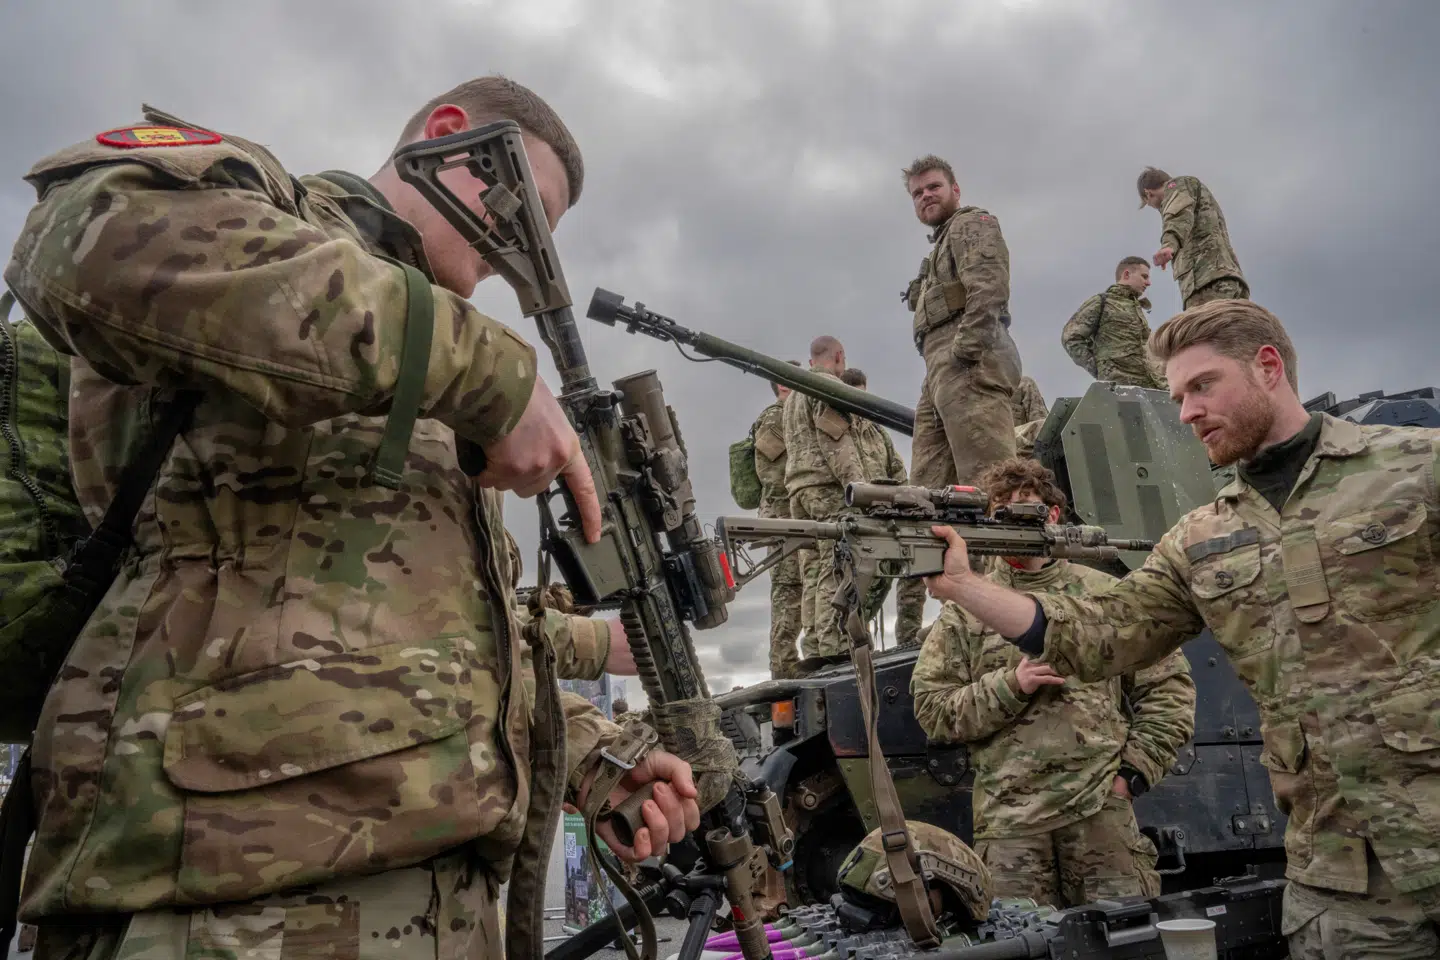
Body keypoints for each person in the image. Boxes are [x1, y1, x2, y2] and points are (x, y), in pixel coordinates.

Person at [2, 79, 698, 959]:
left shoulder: (432, 384)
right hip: (229, 906)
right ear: (449, 137)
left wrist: (594, 761)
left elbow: (442, 653)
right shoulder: (272, 206)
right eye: (524, 207)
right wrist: (484, 370)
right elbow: (85, 240)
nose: (520, 254)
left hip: (439, 904)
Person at [924, 298, 1440, 958]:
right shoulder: (1201, 537)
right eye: (1178, 395)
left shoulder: (1415, 468)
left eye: (1202, 386)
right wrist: (965, 586)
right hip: (1345, 885)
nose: (1187, 412)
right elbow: (1103, 632)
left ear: (1268, 367)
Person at [911, 457, 1194, 906]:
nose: (1008, 520)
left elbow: (1169, 691)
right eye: (997, 510)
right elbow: (933, 711)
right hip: (1009, 828)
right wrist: (1009, 686)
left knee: (1121, 943)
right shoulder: (964, 609)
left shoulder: (1103, 593)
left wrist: (1130, 777)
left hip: (1100, 816)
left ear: (1053, 515)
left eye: (1023, 508)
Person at [897, 154, 1022, 625]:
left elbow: (989, 288)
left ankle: (1001, 604)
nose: (926, 196)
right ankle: (952, 613)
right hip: (940, 369)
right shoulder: (938, 250)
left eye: (933, 187)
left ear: (955, 189)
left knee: (992, 488)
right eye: (917, 193)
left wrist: (965, 352)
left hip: (966, 358)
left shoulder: (973, 225)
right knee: (926, 494)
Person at [784, 336, 864, 659]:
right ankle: (834, 646)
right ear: (840, 356)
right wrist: (860, 489)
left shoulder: (792, 396)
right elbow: (835, 441)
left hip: (798, 491)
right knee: (838, 565)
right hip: (825, 489)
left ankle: (815, 645)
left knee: (814, 570)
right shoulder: (826, 387)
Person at [839, 367, 922, 644]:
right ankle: (843, 638)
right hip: (855, 518)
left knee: (884, 578)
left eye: (863, 395)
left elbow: (898, 471)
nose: (859, 402)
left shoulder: (876, 432)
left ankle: (866, 633)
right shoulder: (837, 428)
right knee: (850, 585)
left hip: (886, 517)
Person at [749, 362, 805, 678]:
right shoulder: (774, 417)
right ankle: (783, 669)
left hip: (800, 519)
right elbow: (770, 474)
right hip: (784, 522)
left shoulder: (798, 415)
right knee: (788, 592)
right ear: (782, 386)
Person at [1137, 167, 1248, 309]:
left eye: (1148, 204)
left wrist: (1168, 245)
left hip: (1206, 282)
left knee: (1206, 331)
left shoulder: (1177, 186)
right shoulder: (1195, 191)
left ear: (1148, 194)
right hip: (1227, 280)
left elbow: (1178, 217)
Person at [1060, 256, 1168, 389]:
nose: (1148, 283)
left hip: (1150, 386)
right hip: (1120, 388)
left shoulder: (1136, 308)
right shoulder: (1102, 302)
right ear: (1127, 274)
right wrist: (1101, 369)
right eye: (1144, 277)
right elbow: (1070, 337)